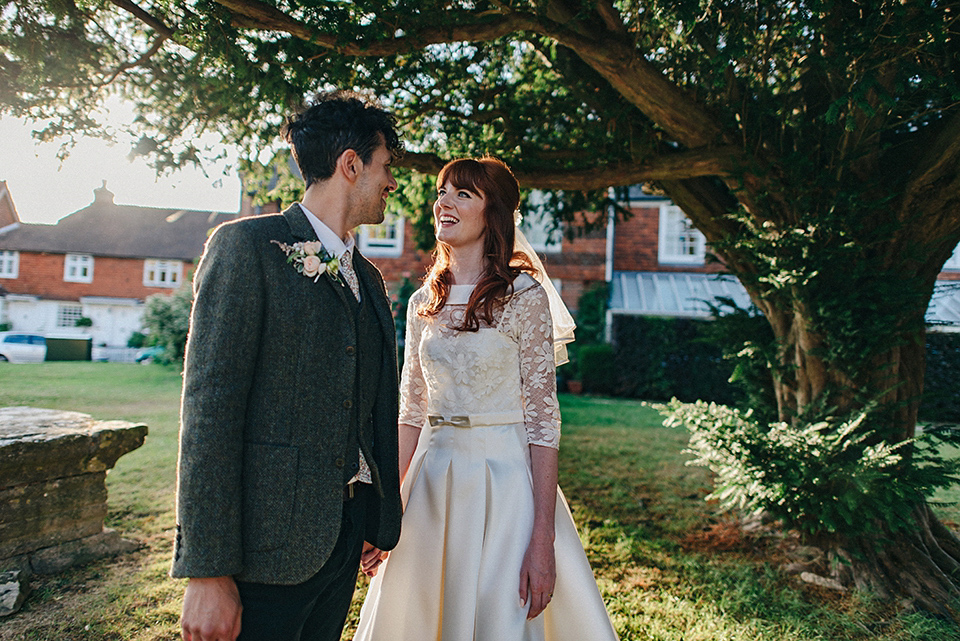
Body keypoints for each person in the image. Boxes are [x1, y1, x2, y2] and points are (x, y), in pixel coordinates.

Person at [170, 90, 404, 641]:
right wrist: (207, 570)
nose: (392, 182)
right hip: (264, 552)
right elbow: (210, 410)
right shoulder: (244, 249)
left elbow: (373, 405)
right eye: (386, 166)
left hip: (344, 540)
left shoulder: (367, 279)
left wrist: (373, 511)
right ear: (351, 165)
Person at [354, 157, 619, 641]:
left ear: (492, 214)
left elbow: (543, 423)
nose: (444, 203)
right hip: (431, 484)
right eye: (442, 192)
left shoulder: (525, 297)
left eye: (462, 194)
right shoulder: (420, 303)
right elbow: (410, 411)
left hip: (506, 485)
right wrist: (385, 510)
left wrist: (543, 537)